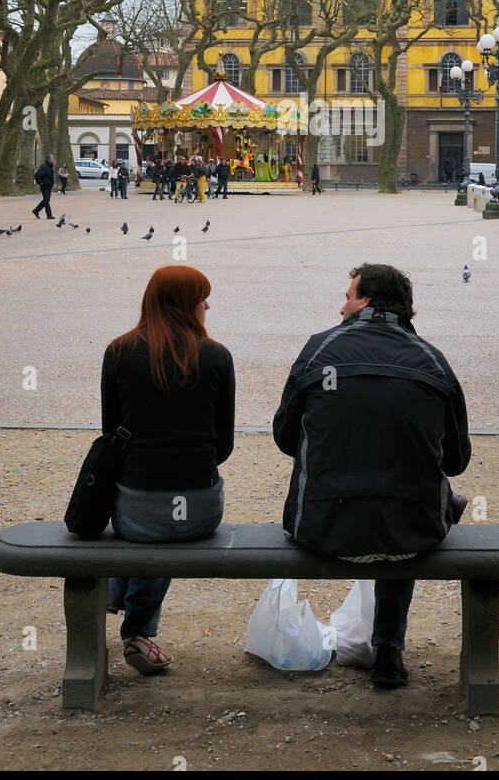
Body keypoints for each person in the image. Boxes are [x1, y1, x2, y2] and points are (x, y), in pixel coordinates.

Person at [273, 263, 471, 689]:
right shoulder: (433, 361)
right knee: (403, 506)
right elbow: (455, 461)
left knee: (384, 498)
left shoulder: (319, 349)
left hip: (322, 527)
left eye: (347, 296)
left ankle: (384, 645)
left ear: (363, 300)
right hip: (410, 533)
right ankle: (387, 648)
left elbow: (285, 438)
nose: (341, 305)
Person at [103, 265, 235, 673]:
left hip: (136, 511)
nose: (208, 304)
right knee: (163, 525)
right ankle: (137, 632)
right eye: (202, 296)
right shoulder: (217, 356)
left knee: (148, 524)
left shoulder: (119, 351)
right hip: (199, 511)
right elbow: (223, 447)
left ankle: (123, 605)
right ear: (185, 304)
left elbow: (112, 438)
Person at [32, 154, 55, 219]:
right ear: (49, 160)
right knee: (46, 201)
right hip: (44, 186)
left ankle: (36, 210)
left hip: (48, 186)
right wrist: (41, 183)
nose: (53, 160)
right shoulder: (44, 166)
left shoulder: (50, 166)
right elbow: (37, 175)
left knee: (46, 200)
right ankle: (49, 215)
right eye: (52, 159)